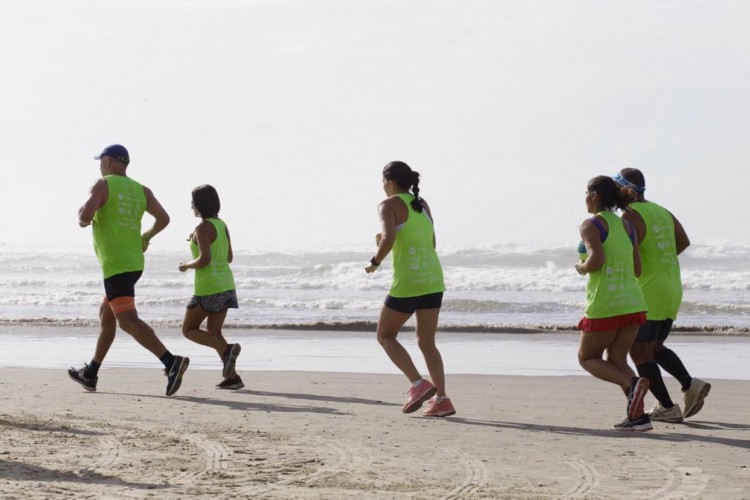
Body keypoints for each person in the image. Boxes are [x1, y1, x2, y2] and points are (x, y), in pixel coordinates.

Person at [68, 144, 189, 396]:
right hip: (134, 263)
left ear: (109, 160)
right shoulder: (141, 190)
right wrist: (146, 236)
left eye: (100, 161)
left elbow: (85, 216)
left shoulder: (102, 184)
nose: (99, 165)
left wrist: (83, 216)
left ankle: (170, 361)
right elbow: (164, 218)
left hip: (116, 265)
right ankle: (91, 373)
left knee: (127, 320)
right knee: (107, 313)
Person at [615, 168, 710, 422]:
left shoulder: (629, 216)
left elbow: (627, 256)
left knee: (639, 353)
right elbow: (683, 241)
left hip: (649, 290)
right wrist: (661, 261)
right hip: (671, 287)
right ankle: (690, 385)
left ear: (627, 190)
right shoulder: (662, 210)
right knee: (655, 348)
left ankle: (667, 407)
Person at [364, 161, 455, 418]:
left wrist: (374, 261)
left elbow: (390, 238)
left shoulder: (388, 204)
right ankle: (442, 400)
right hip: (433, 278)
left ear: (390, 182)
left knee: (385, 335)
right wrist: (385, 239)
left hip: (409, 281)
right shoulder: (422, 204)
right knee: (427, 342)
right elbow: (431, 242)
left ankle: (417, 383)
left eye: (383, 182)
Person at [575, 175, 651, 431]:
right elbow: (638, 269)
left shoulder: (590, 225)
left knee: (587, 358)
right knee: (618, 360)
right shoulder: (627, 226)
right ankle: (639, 418)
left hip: (606, 303)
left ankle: (632, 385)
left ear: (594, 195)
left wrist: (581, 267)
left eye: (586, 193)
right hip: (633, 302)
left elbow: (595, 260)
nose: (584, 197)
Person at [178, 185, 243, 390]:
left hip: (208, 288)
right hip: (226, 285)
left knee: (189, 330)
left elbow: (204, 260)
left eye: (193, 203)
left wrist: (186, 265)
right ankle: (233, 378)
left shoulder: (202, 228)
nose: (191, 206)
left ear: (200, 204)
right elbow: (229, 257)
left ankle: (227, 350)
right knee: (214, 330)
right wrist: (197, 240)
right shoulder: (221, 225)